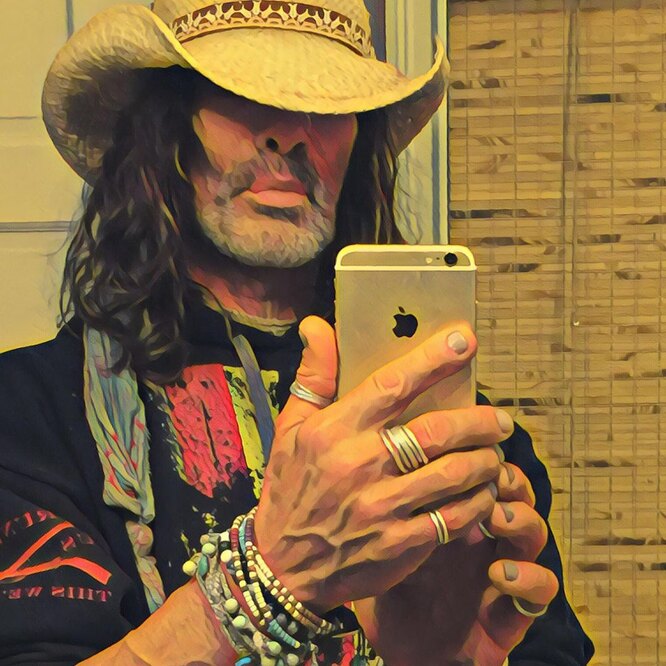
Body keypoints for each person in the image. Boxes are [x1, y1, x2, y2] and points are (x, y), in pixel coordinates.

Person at [0, 0, 593, 664]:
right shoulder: (29, 413)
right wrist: (268, 579)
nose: (287, 134)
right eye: (240, 93)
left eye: (325, 101)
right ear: (163, 128)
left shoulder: (452, 437)